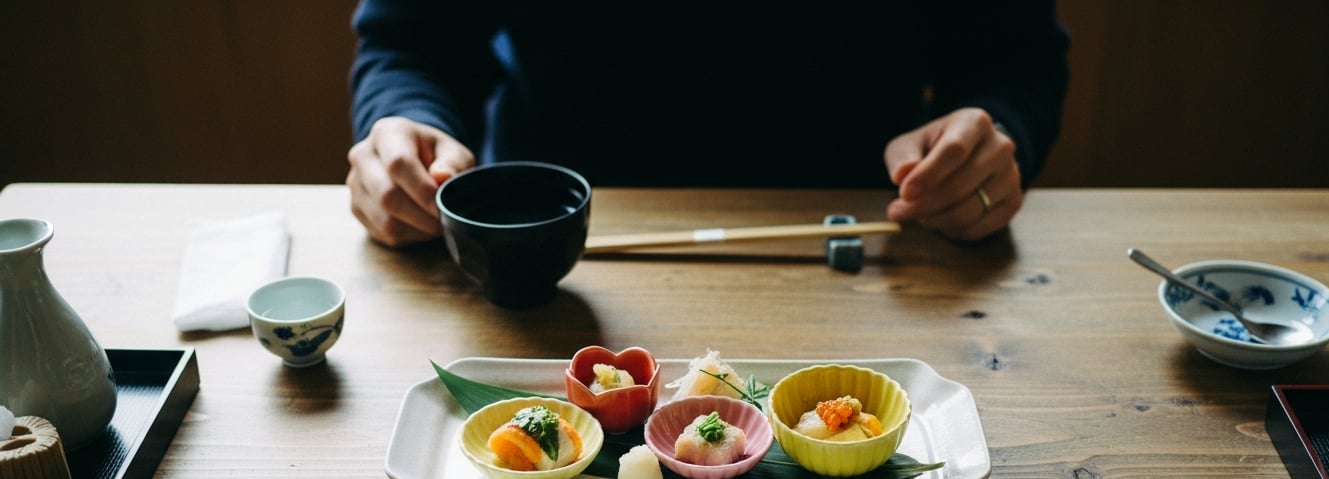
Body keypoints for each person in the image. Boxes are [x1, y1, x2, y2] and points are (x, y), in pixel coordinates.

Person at [346, 2, 1070, 248]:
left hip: (873, 240)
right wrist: (405, 125)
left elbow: (1015, 59)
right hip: (555, 239)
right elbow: (413, 42)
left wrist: (994, 137)